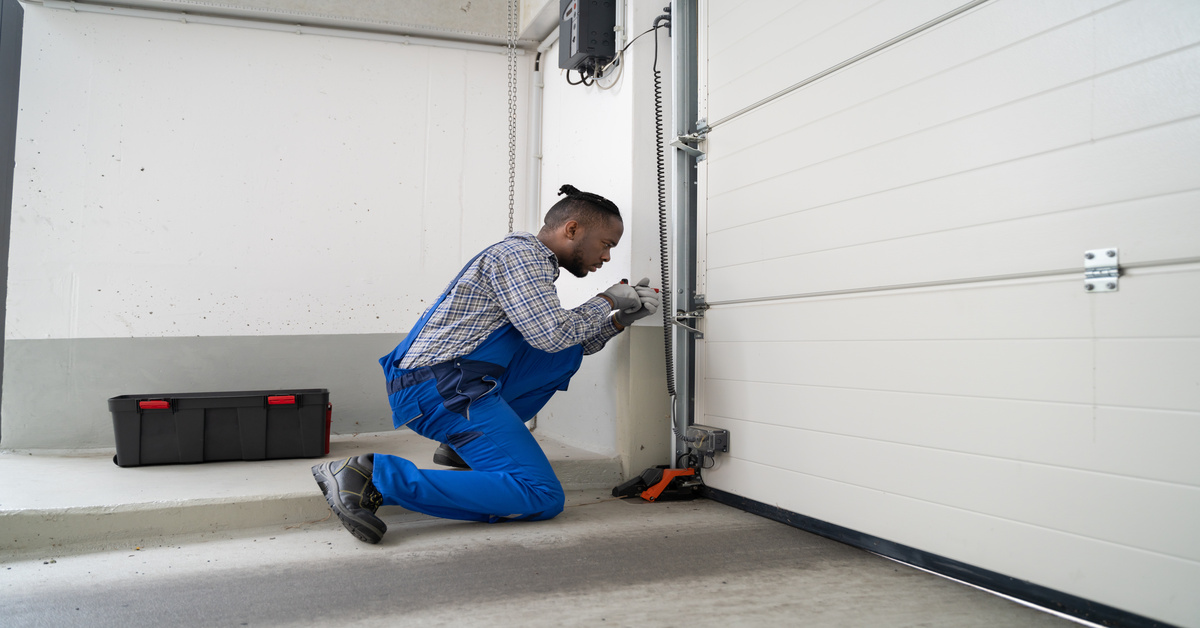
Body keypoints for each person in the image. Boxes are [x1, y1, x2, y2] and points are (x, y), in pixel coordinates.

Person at [311, 184, 660, 543]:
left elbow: (561, 344)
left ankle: (462, 450)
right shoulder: (522, 257)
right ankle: (371, 476)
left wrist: (618, 320)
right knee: (541, 495)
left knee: (563, 355)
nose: (606, 258)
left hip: (454, 383)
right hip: (441, 389)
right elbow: (552, 334)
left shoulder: (530, 261)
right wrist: (605, 299)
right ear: (572, 229)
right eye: (606, 245)